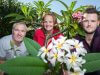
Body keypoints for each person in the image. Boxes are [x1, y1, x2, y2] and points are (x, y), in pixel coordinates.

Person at [75, 7, 100, 75]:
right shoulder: (75, 40)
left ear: (98, 22)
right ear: (82, 22)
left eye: (93, 21)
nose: (89, 24)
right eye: (86, 21)